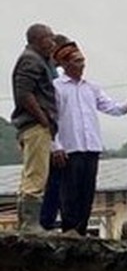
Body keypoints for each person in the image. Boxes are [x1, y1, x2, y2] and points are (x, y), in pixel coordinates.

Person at [50, 41, 127, 236]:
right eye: (77, 61)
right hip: (69, 148)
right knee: (69, 194)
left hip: (91, 146)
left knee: (87, 193)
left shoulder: (92, 87)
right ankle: (70, 231)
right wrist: (55, 145)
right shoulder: (57, 87)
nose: (82, 64)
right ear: (65, 64)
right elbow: (51, 119)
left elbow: (112, 108)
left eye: (83, 60)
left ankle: (80, 232)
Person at [9, 24, 58, 232]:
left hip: (35, 124)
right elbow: (24, 94)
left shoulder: (40, 60)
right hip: (35, 124)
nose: (53, 43)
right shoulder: (30, 60)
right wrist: (43, 118)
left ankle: (26, 222)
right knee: (36, 176)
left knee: (30, 174)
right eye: (50, 38)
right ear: (38, 39)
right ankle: (31, 224)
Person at [39, 34, 71, 230]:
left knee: (56, 182)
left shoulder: (54, 73)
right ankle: (45, 221)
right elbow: (50, 111)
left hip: (54, 133)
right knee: (52, 182)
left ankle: (49, 220)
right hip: (49, 135)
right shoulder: (48, 74)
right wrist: (54, 144)